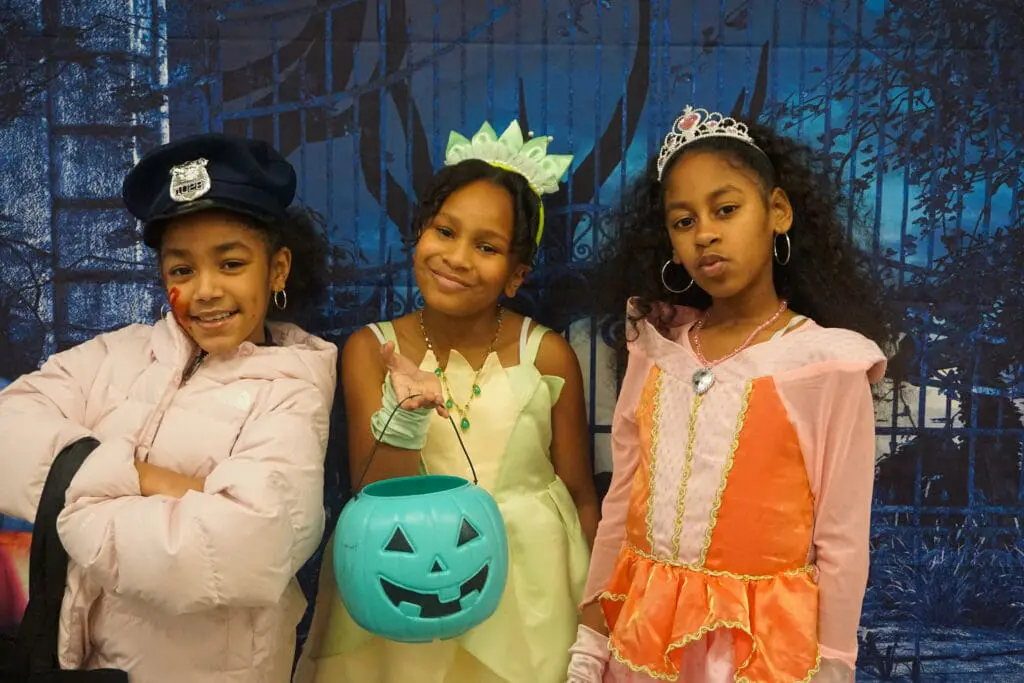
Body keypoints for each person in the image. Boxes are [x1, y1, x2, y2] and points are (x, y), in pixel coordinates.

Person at [565, 106, 895, 682]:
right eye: (683, 221)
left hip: (761, 651)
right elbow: (621, 502)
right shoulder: (655, 345)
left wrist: (836, 664)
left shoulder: (823, 366)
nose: (706, 233)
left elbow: (842, 538)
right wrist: (592, 639)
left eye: (726, 209)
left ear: (778, 212)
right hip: (647, 639)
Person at [0, 133, 338, 683]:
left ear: (276, 270)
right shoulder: (118, 353)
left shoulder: (294, 387)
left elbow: (243, 552)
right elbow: (6, 429)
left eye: (230, 264)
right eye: (182, 270)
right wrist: (144, 477)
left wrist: (73, 507)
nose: (204, 290)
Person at [296, 120, 598, 683]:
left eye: (486, 247)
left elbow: (580, 493)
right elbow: (374, 493)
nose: (457, 257)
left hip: (533, 587)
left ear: (515, 275)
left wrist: (597, 611)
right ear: (418, 236)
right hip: (409, 578)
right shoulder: (371, 349)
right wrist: (405, 413)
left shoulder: (549, 354)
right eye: (445, 232)